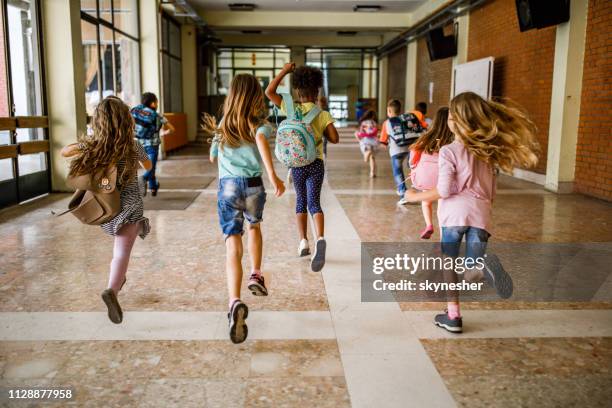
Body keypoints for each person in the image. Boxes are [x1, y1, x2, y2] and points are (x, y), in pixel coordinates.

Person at [405, 92, 539, 333]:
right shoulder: (488, 153)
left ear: (455, 121)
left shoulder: (449, 150)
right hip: (481, 215)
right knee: (470, 269)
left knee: (449, 264)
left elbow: (444, 190)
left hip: (454, 216)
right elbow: (492, 192)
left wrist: (414, 197)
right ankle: (481, 265)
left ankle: (454, 316)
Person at [202, 74, 285, 344]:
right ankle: (256, 273)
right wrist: (273, 175)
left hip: (227, 186)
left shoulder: (223, 125)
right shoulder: (260, 124)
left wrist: (220, 148)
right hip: (252, 184)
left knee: (232, 243)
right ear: (255, 96)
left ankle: (234, 301)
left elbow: (213, 156)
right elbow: (261, 142)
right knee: (254, 226)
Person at [61, 96, 153, 324]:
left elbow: (65, 151)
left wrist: (89, 143)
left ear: (99, 121)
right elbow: (148, 165)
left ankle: (117, 282)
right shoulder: (132, 144)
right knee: (122, 253)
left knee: (117, 252)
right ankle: (112, 289)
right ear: (126, 121)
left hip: (107, 208)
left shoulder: (95, 145)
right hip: (129, 206)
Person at [266, 63, 339, 271]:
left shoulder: (290, 107)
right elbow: (334, 139)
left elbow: (269, 91)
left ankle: (303, 241)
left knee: (300, 201)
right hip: (315, 163)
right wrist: (320, 128)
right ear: (317, 91)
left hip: (296, 164)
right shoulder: (321, 114)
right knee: (314, 203)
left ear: (297, 90)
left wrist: (285, 71)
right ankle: (321, 238)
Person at [409, 107, 454, 239]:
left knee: (426, 201)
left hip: (427, 177)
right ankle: (442, 232)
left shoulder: (426, 137)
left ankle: (429, 225)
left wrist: (413, 167)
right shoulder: (452, 140)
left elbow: (413, 156)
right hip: (443, 177)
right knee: (441, 204)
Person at [131, 92, 175, 197]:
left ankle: (153, 187)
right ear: (153, 103)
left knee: (150, 167)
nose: (157, 104)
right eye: (156, 102)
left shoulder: (136, 112)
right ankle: (143, 179)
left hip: (139, 144)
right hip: (152, 146)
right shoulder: (157, 115)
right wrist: (163, 133)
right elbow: (172, 129)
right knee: (151, 168)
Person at [379, 99, 417, 205]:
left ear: (389, 111)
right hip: (409, 149)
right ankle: (418, 187)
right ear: (400, 110)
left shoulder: (387, 123)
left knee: (398, 172)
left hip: (396, 151)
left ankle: (402, 193)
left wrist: (384, 144)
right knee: (412, 167)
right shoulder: (405, 119)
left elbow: (383, 141)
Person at [354, 109, 379, 178]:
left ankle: (366, 155)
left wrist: (359, 139)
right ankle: (372, 172)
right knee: (372, 157)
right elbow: (375, 132)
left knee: (368, 154)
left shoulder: (363, 122)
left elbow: (360, 133)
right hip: (374, 141)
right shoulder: (374, 123)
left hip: (365, 141)